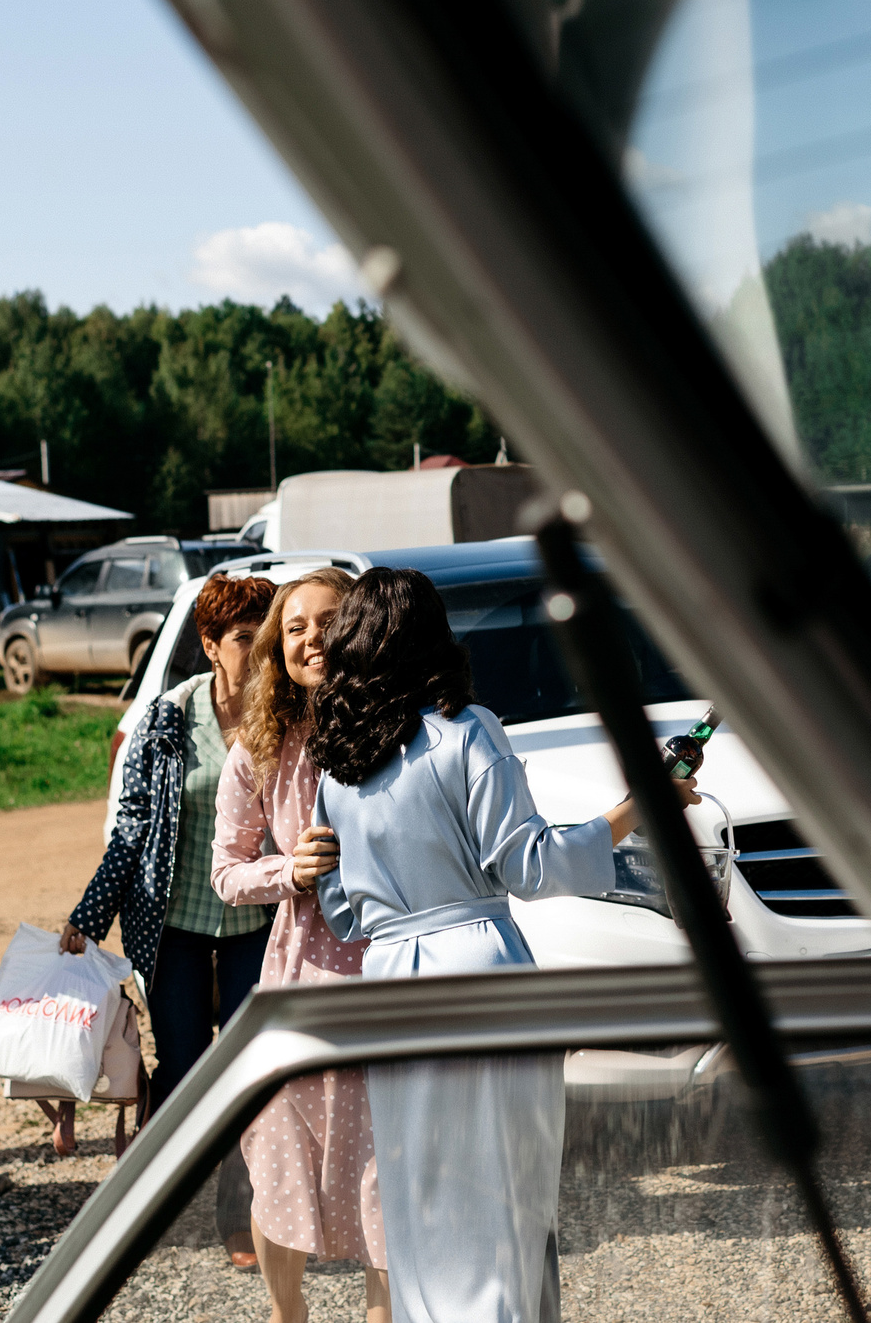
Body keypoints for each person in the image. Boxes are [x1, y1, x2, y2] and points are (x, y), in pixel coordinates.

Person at [307, 567, 697, 1323]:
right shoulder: (466, 729)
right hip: (480, 971)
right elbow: (531, 864)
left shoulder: (338, 765)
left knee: (420, 1199)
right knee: (503, 1195)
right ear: (430, 637)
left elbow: (345, 914)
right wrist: (637, 806)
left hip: (388, 983)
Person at [61, 573, 279, 1267]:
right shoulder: (166, 717)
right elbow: (130, 828)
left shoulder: (287, 716)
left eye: (265, 636)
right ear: (211, 644)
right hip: (176, 928)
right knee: (184, 1065)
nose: (260, 651)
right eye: (245, 639)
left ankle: (237, 1211)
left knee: (250, 1069)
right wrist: (89, 915)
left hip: (257, 925)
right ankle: (165, 1197)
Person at [212, 568, 390, 1323]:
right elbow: (226, 872)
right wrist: (291, 870)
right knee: (276, 1158)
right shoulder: (256, 749)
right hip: (296, 975)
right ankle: (290, 1317)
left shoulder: (398, 731)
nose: (310, 636)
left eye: (327, 621)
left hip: (385, 973)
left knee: (385, 1171)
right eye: (294, 626)